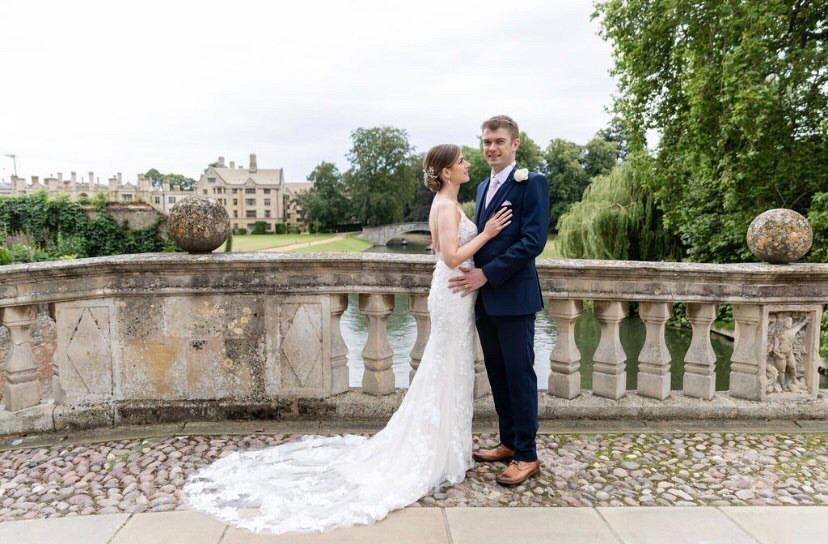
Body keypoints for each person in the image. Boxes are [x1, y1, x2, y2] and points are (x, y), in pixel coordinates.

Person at [182, 144, 512, 535]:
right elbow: (451, 258)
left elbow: (439, 246)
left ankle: (448, 451)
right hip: (453, 292)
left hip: (456, 295)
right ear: (444, 172)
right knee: (446, 368)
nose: (466, 164)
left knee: (452, 369)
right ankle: (437, 454)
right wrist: (488, 233)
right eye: (460, 161)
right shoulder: (444, 204)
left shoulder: (449, 202)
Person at [449, 115, 550, 486]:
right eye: (487, 141)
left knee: (520, 376)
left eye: (499, 141)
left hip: (515, 297)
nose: (491, 147)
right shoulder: (481, 186)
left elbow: (532, 241)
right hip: (484, 301)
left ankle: (527, 454)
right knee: (498, 375)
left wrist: (486, 274)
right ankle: (508, 442)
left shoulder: (531, 183)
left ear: (515, 144)